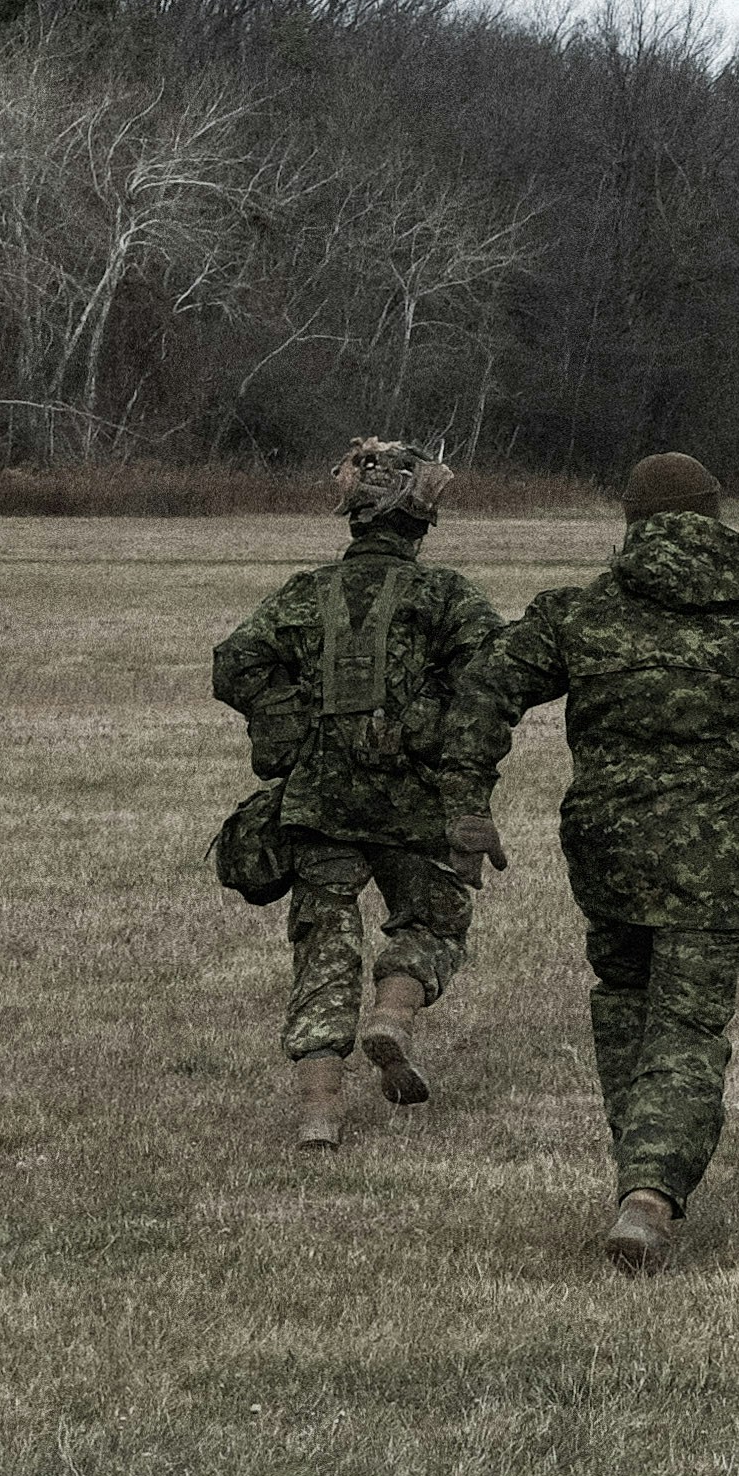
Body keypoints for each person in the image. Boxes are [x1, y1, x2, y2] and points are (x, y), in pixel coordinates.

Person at [447, 453, 739, 1270]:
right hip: (717, 856)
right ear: (715, 517)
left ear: (632, 522)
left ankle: (637, 1176)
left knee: (625, 1004)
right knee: (686, 1025)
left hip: (607, 850)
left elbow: (482, 687)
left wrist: (469, 801)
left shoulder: (580, 614)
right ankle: (649, 1191)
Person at [211, 438, 509, 1148]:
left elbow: (235, 663)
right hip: (415, 803)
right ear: (419, 522)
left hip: (322, 803)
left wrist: (294, 729)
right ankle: (392, 1017)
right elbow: (494, 685)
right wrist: (428, 734)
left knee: (324, 947)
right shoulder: (446, 596)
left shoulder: (305, 593)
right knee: (434, 919)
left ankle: (319, 1110)